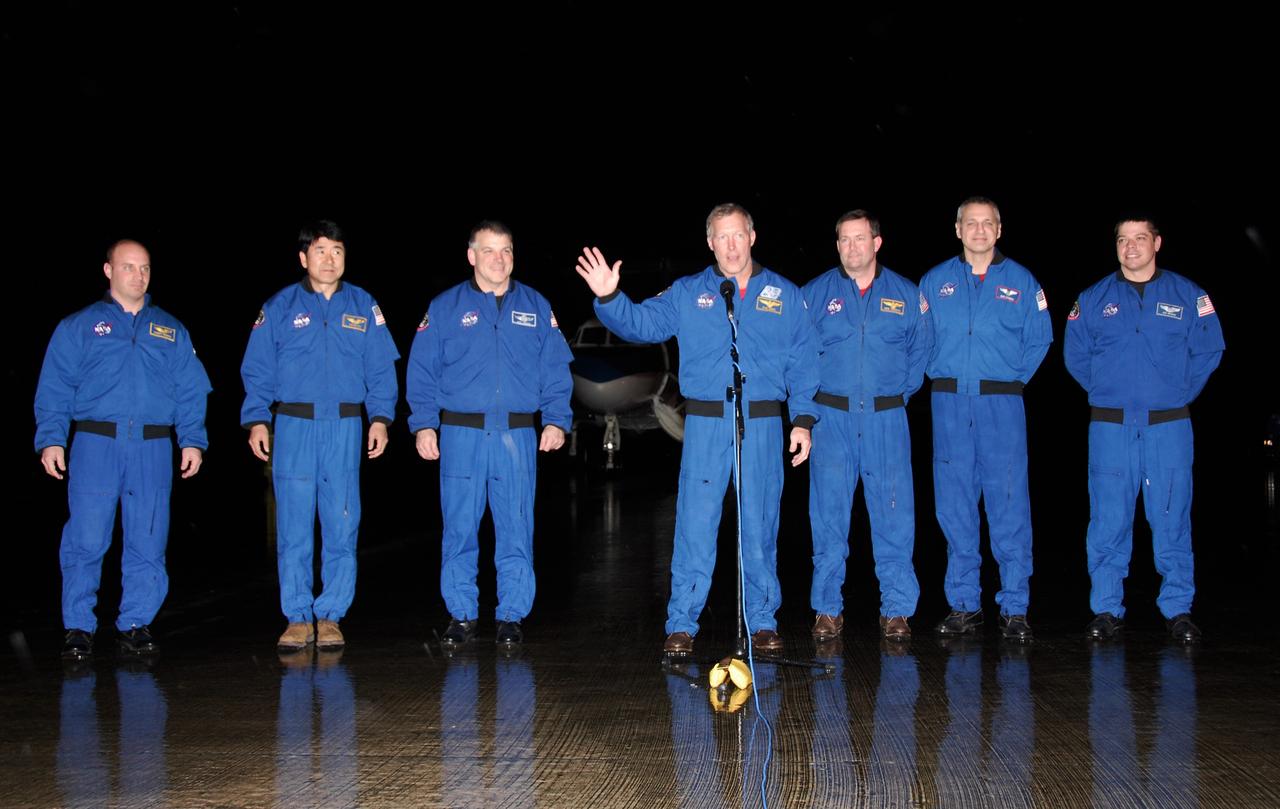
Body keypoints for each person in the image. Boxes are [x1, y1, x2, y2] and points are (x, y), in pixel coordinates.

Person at [576, 203, 820, 656]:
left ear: (752, 236)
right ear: (710, 243)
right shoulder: (688, 292)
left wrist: (803, 420)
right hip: (707, 423)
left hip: (762, 422)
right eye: (721, 237)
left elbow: (804, 359)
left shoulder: (785, 294)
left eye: (738, 234)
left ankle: (762, 621)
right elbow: (643, 324)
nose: (731, 245)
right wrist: (610, 298)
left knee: (760, 525)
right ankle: (682, 623)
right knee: (695, 524)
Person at [35, 239, 211, 659]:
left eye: (145, 267)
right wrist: (52, 439)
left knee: (148, 538)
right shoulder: (78, 326)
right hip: (96, 442)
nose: (138, 275)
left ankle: (135, 622)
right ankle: (79, 626)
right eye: (128, 266)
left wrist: (192, 440)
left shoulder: (170, 329)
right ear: (108, 270)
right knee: (86, 537)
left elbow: (190, 390)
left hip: (152, 445)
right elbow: (55, 386)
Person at [406, 221, 573, 647]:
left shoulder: (536, 305)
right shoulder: (444, 307)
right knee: (459, 527)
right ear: (471, 256)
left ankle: (511, 616)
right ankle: (461, 615)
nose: (499, 259)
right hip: (460, 434)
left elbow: (555, 368)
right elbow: (422, 370)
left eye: (507, 250)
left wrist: (557, 419)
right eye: (489, 250)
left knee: (516, 526)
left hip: (516, 435)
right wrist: (423, 425)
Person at [241, 220, 400, 652]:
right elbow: (257, 369)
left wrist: (380, 418)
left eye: (337, 251)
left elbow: (380, 369)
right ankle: (296, 616)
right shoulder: (279, 307)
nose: (330, 259)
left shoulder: (364, 305)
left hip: (345, 426)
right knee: (293, 525)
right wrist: (257, 419)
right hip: (294, 425)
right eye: (321, 251)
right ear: (303, 257)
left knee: (342, 522)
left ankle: (330, 615)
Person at [1064, 217, 1223, 643]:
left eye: (1139, 238)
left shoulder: (1188, 295)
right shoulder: (1093, 298)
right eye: (1122, 239)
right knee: (1108, 520)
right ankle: (1106, 609)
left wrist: (1177, 393)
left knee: (1172, 518)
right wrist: (1105, 390)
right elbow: (1076, 355)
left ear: (1157, 243)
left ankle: (1178, 609)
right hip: (1110, 428)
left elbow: (1209, 350)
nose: (1130, 247)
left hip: (1168, 428)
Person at [920, 197, 1052, 642]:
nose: (979, 230)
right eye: (971, 223)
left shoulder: (1022, 281)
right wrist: (939, 372)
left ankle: (1014, 607)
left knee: (1009, 504)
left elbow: (1040, 339)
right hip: (950, 405)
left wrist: (1009, 379)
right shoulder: (934, 282)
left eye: (987, 223)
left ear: (999, 229)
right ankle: (964, 604)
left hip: (1001, 407)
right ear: (957, 229)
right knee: (954, 507)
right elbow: (919, 338)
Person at [802, 210, 931, 642]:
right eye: (844, 239)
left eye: (860, 238)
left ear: (877, 242)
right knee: (828, 518)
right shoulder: (815, 294)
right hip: (831, 419)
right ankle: (827, 609)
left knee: (894, 516)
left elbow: (921, 351)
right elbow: (799, 354)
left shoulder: (906, 294)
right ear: (837, 245)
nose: (852, 247)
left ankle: (897, 609)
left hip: (885, 419)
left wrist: (894, 395)